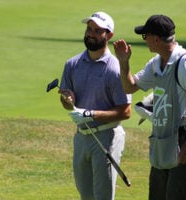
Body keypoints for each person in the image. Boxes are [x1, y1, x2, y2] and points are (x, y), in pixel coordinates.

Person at [114, 15, 186, 200]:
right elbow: (130, 86)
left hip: (183, 141)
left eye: (145, 36)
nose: (145, 41)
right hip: (161, 142)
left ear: (156, 39)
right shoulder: (156, 63)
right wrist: (124, 62)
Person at [58, 11, 132, 200]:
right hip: (81, 137)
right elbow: (67, 103)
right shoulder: (72, 64)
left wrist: (90, 115)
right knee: (86, 195)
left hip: (107, 137)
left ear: (109, 35)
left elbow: (125, 111)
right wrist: (68, 101)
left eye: (97, 30)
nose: (91, 33)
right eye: (89, 29)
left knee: (103, 196)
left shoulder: (115, 68)